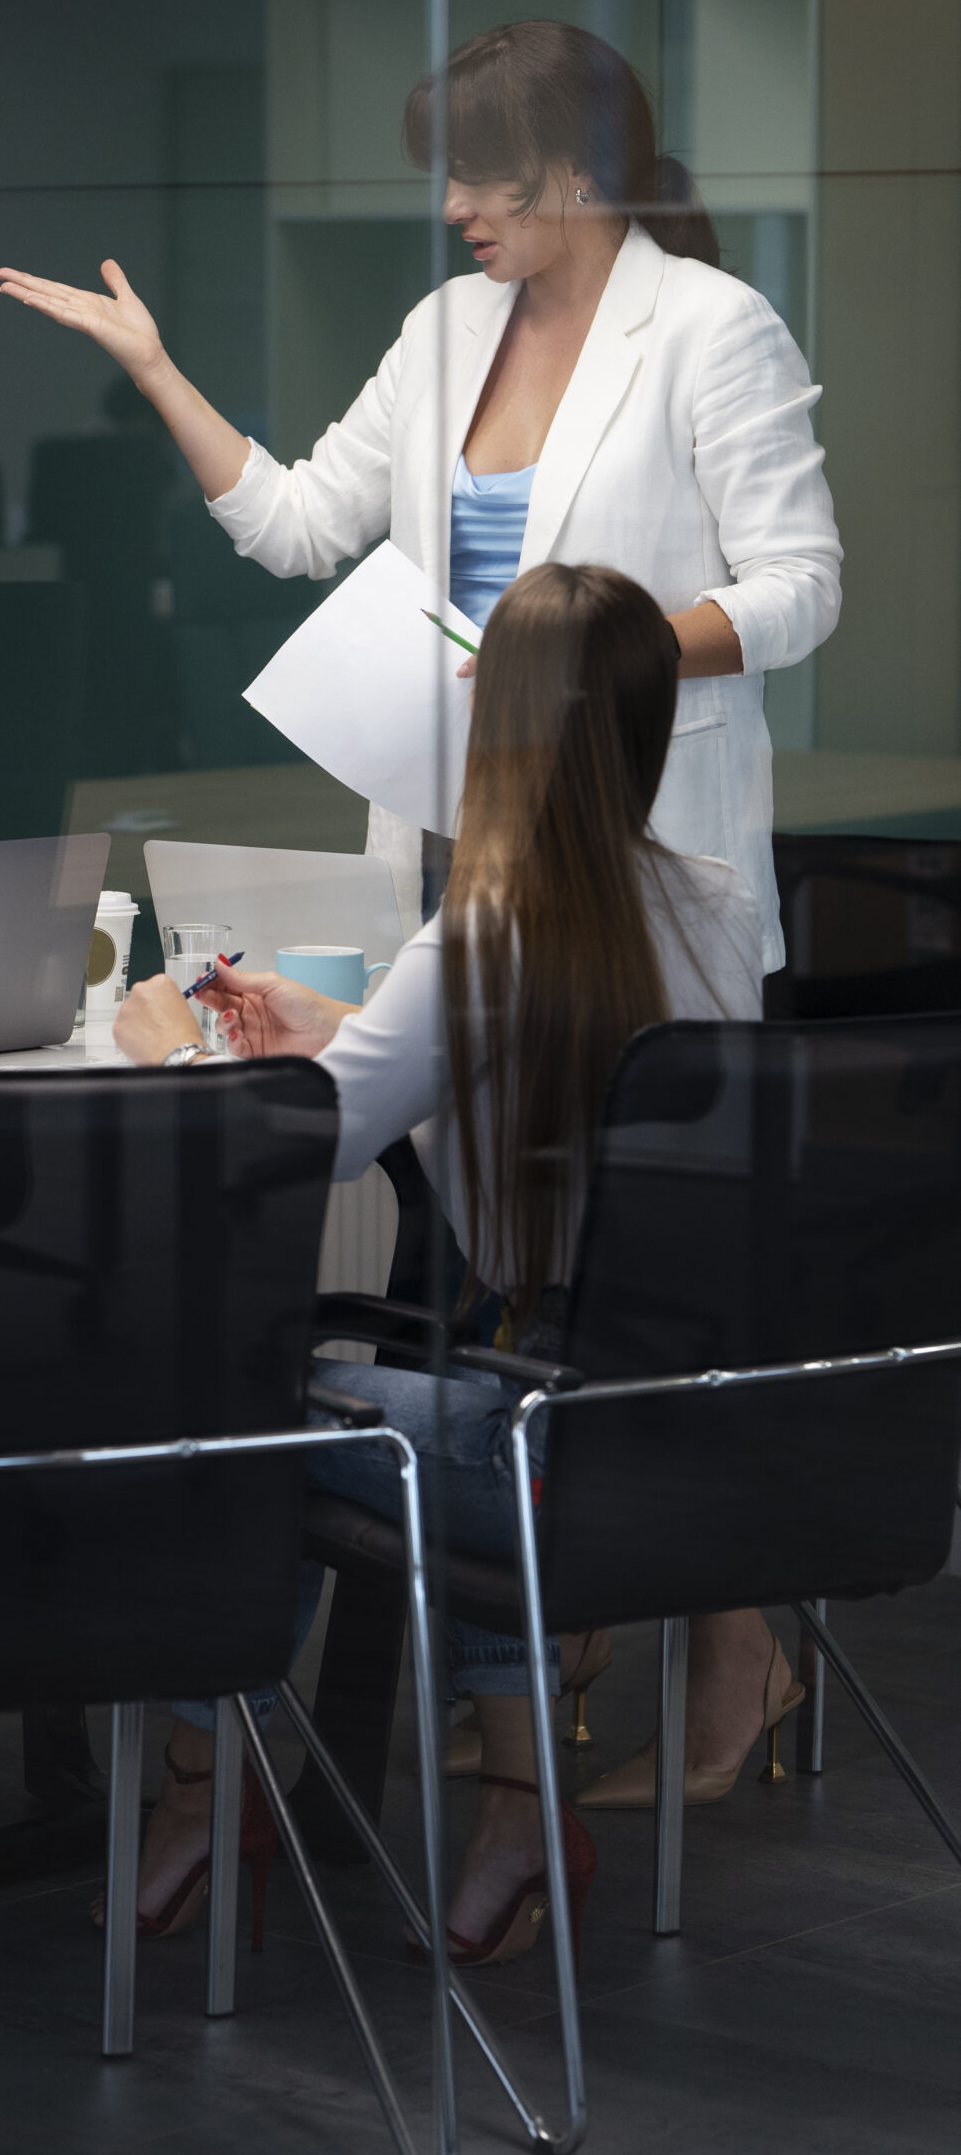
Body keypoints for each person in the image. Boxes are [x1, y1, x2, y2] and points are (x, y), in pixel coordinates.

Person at [112, 563, 790, 1962]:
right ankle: (516, 1808)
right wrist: (338, 1025)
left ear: (504, 727)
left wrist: (166, 1046)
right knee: (455, 1378)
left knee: (256, 1403)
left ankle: (198, 1789)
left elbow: (290, 1152)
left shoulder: (482, 930)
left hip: (539, 1460)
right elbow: (501, 1069)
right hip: (701, 1447)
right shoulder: (717, 906)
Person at [0, 17, 841, 965]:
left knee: (612, 1110)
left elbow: (799, 589)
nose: (450, 207)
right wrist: (156, 371)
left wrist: (610, 648)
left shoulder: (712, 326)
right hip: (446, 837)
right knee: (444, 1112)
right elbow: (296, 527)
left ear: (573, 167)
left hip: (629, 835)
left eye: (478, 176)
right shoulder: (446, 324)